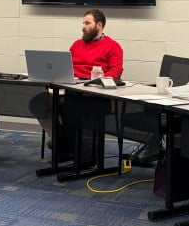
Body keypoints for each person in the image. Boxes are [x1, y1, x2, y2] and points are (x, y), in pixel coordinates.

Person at [29, 9, 123, 162]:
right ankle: (63, 143)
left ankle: (71, 148)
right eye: (83, 23)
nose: (83, 26)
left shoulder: (113, 46)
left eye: (87, 23)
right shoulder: (77, 45)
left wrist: (96, 81)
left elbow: (116, 73)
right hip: (70, 90)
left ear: (99, 25)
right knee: (38, 103)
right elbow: (65, 68)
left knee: (71, 107)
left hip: (94, 95)